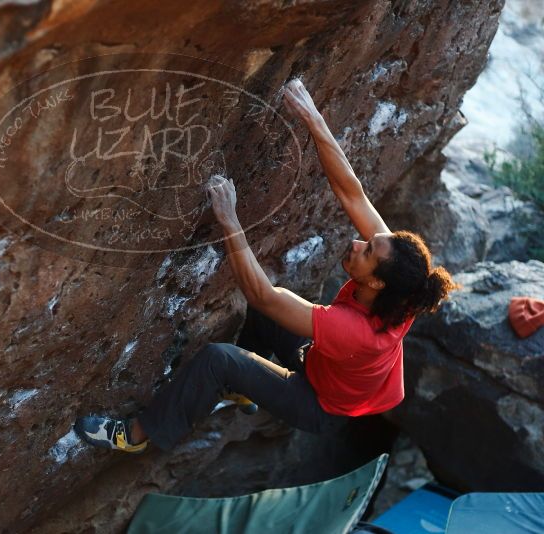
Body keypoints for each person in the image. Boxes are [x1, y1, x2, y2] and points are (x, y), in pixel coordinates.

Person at [73, 78, 458, 454]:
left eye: (367, 252)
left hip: (319, 401)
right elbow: (352, 193)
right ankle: (243, 386)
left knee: (218, 358)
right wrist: (313, 117)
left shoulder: (357, 330)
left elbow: (261, 294)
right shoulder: (404, 284)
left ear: (375, 282)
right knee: (271, 318)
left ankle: (135, 435)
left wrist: (229, 220)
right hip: (330, 364)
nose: (357, 243)